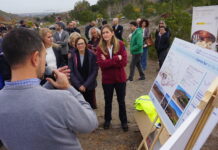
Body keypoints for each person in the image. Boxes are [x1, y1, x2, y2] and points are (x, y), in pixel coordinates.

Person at [0, 28, 98, 150]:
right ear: (35, 58)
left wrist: (50, 84)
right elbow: (90, 123)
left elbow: (27, 98)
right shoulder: (61, 99)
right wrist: (68, 87)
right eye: (44, 56)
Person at [96, 24, 128, 131]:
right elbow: (102, 65)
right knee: (108, 101)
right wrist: (116, 58)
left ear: (112, 33)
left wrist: (108, 61)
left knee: (121, 101)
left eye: (107, 32)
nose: (105, 35)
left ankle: (124, 121)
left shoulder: (120, 44)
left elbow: (123, 62)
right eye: (103, 33)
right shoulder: (100, 48)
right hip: (107, 80)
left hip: (120, 78)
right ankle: (107, 120)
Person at [68, 37, 98, 109]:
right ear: (76, 45)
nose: (80, 45)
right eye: (78, 44)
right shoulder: (72, 55)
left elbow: (94, 71)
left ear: (85, 44)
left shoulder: (92, 55)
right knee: (79, 107)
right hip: (77, 86)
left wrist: (85, 85)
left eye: (82, 43)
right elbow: (71, 72)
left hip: (89, 85)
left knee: (89, 106)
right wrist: (79, 85)